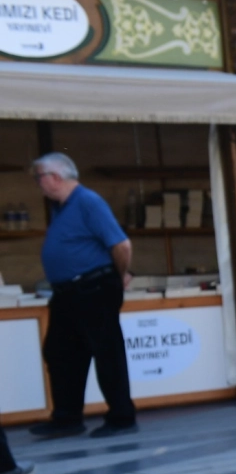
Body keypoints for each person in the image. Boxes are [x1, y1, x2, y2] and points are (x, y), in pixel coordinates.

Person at [30, 152, 137, 440]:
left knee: (106, 353)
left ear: (55, 177)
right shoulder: (61, 207)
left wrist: (117, 276)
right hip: (68, 293)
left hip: (93, 288)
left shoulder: (88, 201)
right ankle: (67, 417)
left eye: (38, 177)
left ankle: (121, 416)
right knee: (60, 352)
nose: (37, 183)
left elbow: (121, 245)